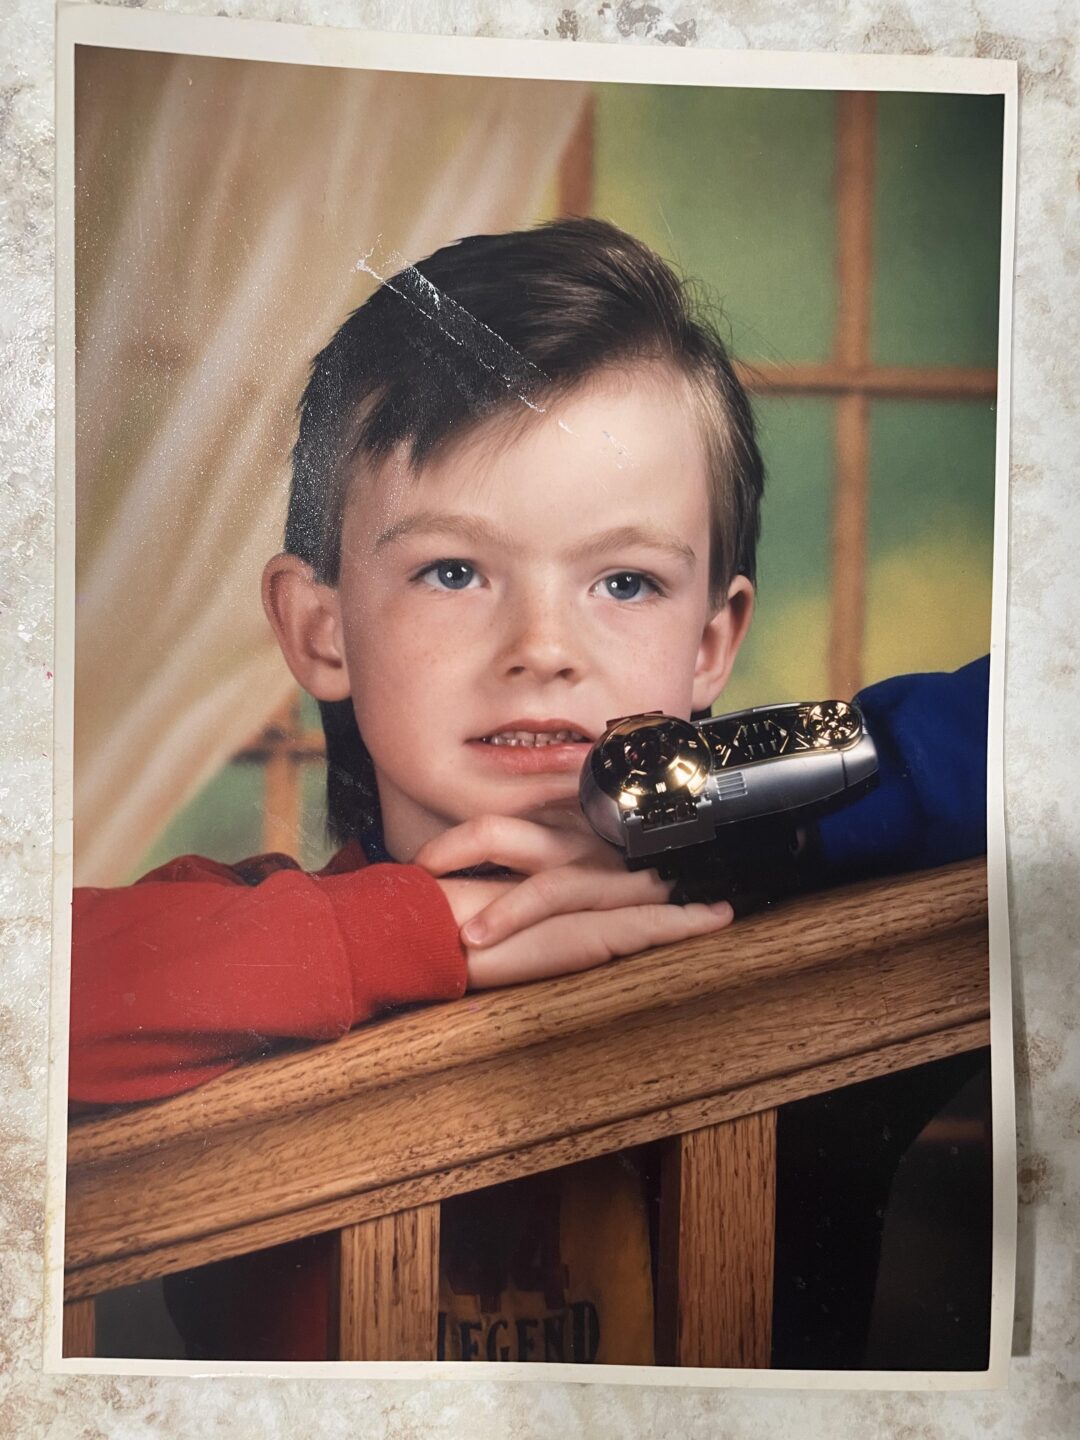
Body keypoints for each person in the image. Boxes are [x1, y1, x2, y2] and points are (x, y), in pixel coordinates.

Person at [70, 218, 989, 1362]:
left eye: (626, 581)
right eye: (454, 570)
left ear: (713, 643)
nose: (542, 647)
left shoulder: (807, 927)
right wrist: (418, 934)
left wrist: (718, 813)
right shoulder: (239, 935)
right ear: (320, 629)